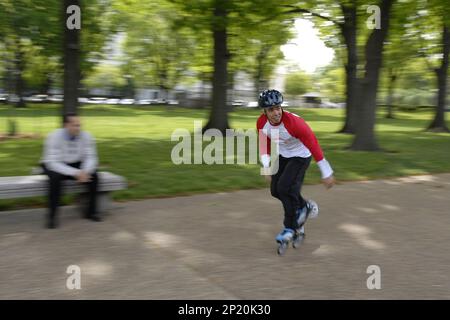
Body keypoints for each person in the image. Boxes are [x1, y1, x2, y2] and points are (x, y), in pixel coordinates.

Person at [256, 89, 335, 248]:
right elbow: (264, 145)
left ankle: (290, 227)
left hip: (301, 156)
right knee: (275, 190)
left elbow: (313, 145)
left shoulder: (294, 123)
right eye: (271, 109)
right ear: (265, 111)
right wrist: (266, 166)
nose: (276, 112)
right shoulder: (262, 123)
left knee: (285, 188)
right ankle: (304, 206)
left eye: (278, 107)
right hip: (284, 155)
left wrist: (326, 172)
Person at [40, 112, 100, 228]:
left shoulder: (86, 136)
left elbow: (91, 157)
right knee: (55, 179)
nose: (78, 128)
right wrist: (76, 173)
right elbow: (52, 162)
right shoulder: (53, 136)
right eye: (75, 125)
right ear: (66, 125)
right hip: (52, 164)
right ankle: (52, 216)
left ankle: (91, 212)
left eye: (79, 125)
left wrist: (85, 172)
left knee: (94, 176)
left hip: (75, 163)